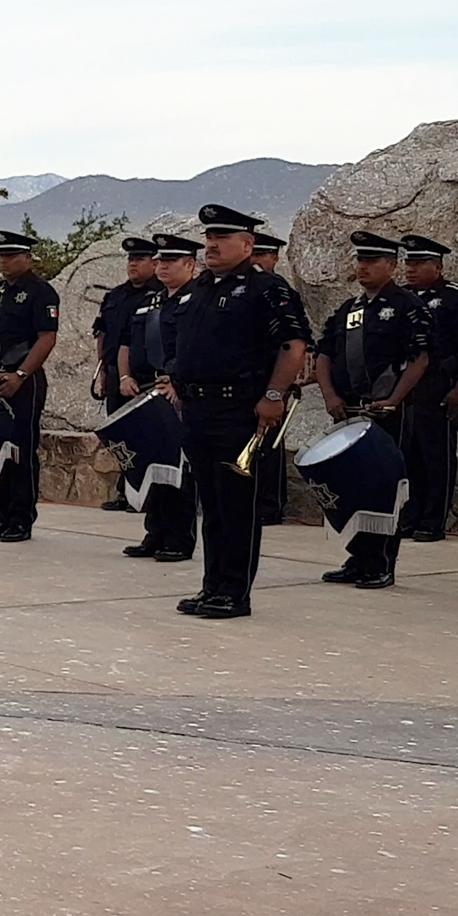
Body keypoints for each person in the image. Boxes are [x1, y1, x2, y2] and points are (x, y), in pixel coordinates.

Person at [165, 204, 310, 619]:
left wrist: (274, 395)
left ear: (247, 245)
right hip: (197, 407)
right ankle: (212, 585)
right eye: (209, 238)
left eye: (222, 238)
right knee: (209, 503)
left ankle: (234, 591)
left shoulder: (267, 289)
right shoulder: (199, 287)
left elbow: (292, 345)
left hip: (238, 407)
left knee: (236, 504)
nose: (211, 244)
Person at [314, 232, 432, 590]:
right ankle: (357, 556)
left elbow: (420, 357)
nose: (362, 268)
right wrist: (329, 396)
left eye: (372, 261)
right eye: (359, 261)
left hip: (386, 411)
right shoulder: (349, 309)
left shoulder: (407, 305)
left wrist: (395, 398)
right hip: (348, 410)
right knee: (351, 485)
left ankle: (381, 563)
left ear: (391, 265)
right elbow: (324, 354)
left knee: (383, 486)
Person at [0, 231, 60, 542]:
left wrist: (20, 374)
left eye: (11, 256)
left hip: (23, 380)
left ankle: (21, 516)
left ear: (27, 257)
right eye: (1, 256)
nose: (4, 262)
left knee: (20, 449)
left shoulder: (40, 292)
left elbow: (46, 338)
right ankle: (2, 512)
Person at [115, 234, 198, 562]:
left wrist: (180, 384)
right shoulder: (150, 301)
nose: (161, 267)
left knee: (178, 470)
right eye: (160, 261)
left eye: (170, 262)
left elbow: (196, 350)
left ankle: (179, 538)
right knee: (152, 465)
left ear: (189, 265)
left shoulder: (197, 300)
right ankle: (156, 532)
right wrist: (125, 375)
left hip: (178, 392)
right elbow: (126, 343)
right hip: (146, 390)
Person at [398, 234, 458, 542]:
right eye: (408, 262)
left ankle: (433, 521)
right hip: (405, 386)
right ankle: (410, 516)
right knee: (408, 454)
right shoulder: (402, 296)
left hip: (439, 383)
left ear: (437, 266)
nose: (410, 268)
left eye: (419, 262)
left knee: (436, 455)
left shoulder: (454, 298)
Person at [248, 232, 312, 525]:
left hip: (273, 378)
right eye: (254, 254)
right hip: (246, 379)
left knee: (268, 446)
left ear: (274, 258)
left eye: (263, 254)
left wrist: (282, 385)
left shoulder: (280, 290)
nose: (257, 260)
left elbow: (298, 338)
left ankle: (269, 506)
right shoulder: (246, 289)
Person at [93, 238, 161, 511]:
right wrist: (102, 371)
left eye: (140, 259)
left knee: (147, 436)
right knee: (122, 437)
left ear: (154, 263)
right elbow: (103, 333)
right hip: (115, 373)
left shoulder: (159, 295)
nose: (133, 264)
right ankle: (127, 492)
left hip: (145, 377)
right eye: (130, 259)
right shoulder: (116, 296)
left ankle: (148, 494)